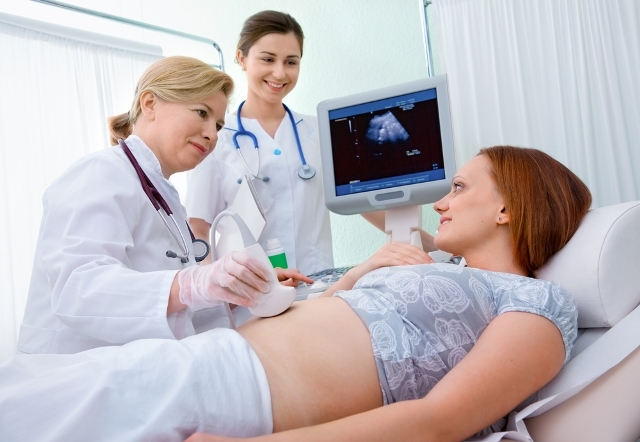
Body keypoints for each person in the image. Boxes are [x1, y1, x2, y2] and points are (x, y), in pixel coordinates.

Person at [0, 146, 592, 441]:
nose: (440, 201)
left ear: (509, 206)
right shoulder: (431, 265)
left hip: (238, 394)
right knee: (24, 389)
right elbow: (333, 317)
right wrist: (362, 272)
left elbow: (439, 420)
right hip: (203, 358)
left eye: (459, 187)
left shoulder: (540, 304)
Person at [17, 56, 309, 355]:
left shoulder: (165, 199)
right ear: (150, 104)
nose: (212, 134)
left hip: (136, 365)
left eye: (219, 125)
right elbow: (80, 291)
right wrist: (195, 283)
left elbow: (175, 311)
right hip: (75, 369)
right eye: (201, 112)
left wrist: (238, 287)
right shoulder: (99, 173)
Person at [185, 10, 334, 275]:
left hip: (317, 283)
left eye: (291, 62)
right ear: (242, 58)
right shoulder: (215, 138)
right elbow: (198, 229)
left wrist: (413, 239)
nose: (279, 72)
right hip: (246, 292)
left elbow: (359, 198)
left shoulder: (318, 131)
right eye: (268, 59)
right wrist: (214, 286)